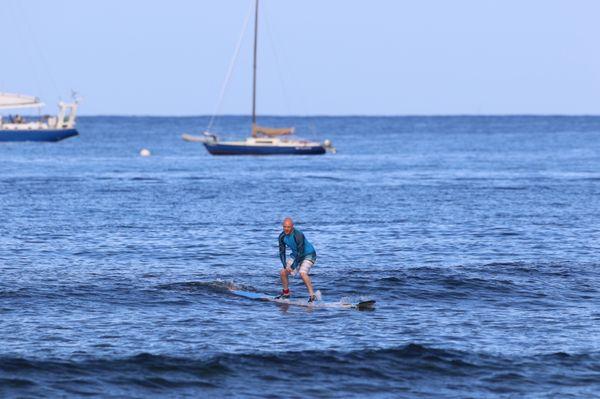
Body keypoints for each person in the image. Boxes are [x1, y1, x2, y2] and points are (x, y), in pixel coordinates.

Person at [276, 217, 318, 303]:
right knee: (283, 272)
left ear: (292, 226)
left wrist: (293, 266)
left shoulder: (298, 235)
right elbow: (281, 252)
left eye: (288, 227)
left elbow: (301, 252)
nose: (286, 229)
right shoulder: (282, 236)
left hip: (308, 254)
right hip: (296, 255)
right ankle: (286, 294)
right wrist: (285, 266)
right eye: (284, 227)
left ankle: (312, 295)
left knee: (302, 273)